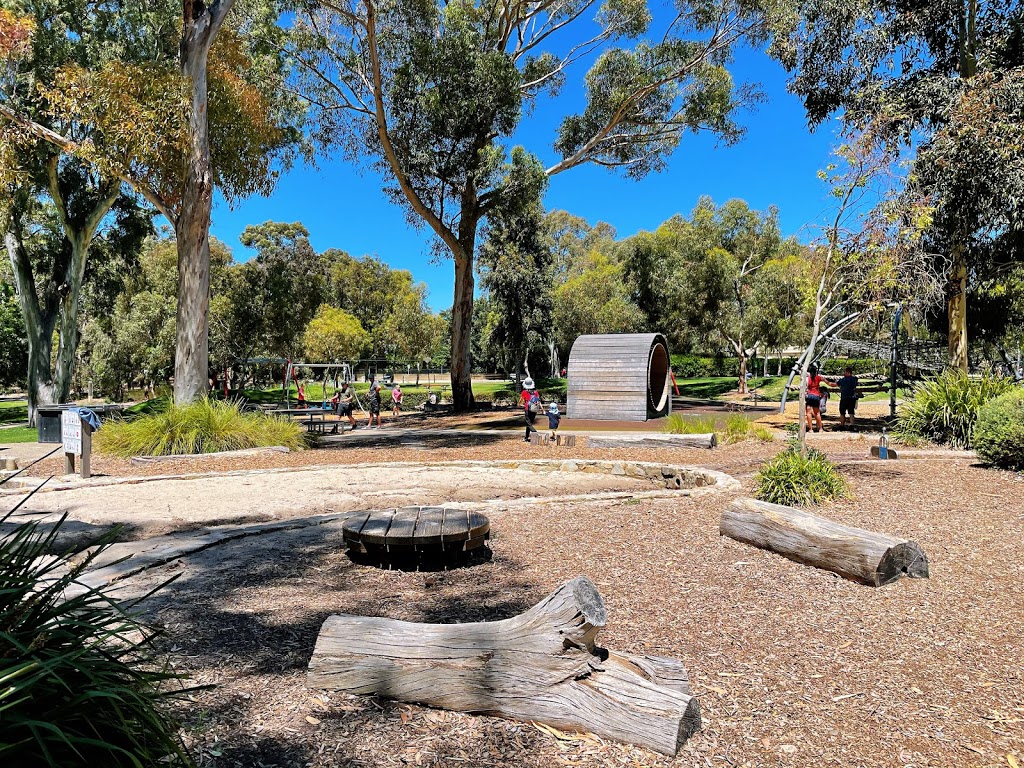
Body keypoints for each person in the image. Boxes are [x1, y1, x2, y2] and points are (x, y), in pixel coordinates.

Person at [804, 364, 824, 433]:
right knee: (817, 413)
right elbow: (826, 381)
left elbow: (805, 387)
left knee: (808, 413)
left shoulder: (807, 379)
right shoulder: (818, 378)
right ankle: (820, 428)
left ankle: (810, 429)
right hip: (816, 396)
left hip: (809, 396)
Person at [519, 377, 539, 442]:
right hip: (534, 409)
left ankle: (535, 433)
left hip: (527, 409)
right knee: (529, 424)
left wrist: (521, 405)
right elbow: (538, 401)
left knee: (528, 423)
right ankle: (526, 437)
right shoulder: (536, 392)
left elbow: (520, 402)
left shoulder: (524, 392)